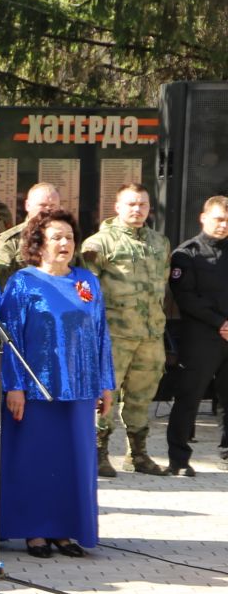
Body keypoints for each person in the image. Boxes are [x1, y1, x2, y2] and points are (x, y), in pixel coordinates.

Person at [0, 213, 114, 556]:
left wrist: (105, 384)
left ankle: (65, 530)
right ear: (39, 244)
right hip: (36, 390)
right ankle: (35, 531)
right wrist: (14, 386)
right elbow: (10, 339)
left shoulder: (88, 282)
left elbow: (100, 336)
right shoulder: (22, 283)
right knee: (36, 459)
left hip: (79, 388)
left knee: (72, 461)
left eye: (69, 237)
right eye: (56, 237)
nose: (64, 244)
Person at [83, 183, 172, 477]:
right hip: (114, 336)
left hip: (150, 335)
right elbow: (89, 294)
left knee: (142, 396)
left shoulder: (160, 243)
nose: (137, 210)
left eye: (143, 205)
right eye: (131, 204)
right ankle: (97, 453)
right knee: (105, 395)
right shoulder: (98, 244)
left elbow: (163, 284)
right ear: (117, 207)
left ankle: (138, 455)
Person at [167, 196, 228, 476]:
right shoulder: (186, 253)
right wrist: (221, 322)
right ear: (203, 217)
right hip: (201, 336)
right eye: (218, 219)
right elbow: (186, 297)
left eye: (227, 220)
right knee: (188, 398)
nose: (224, 225)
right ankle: (179, 459)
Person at [0, 183, 61, 284]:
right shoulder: (10, 241)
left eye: (53, 206)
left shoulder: (66, 239)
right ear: (27, 205)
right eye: (43, 205)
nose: (48, 210)